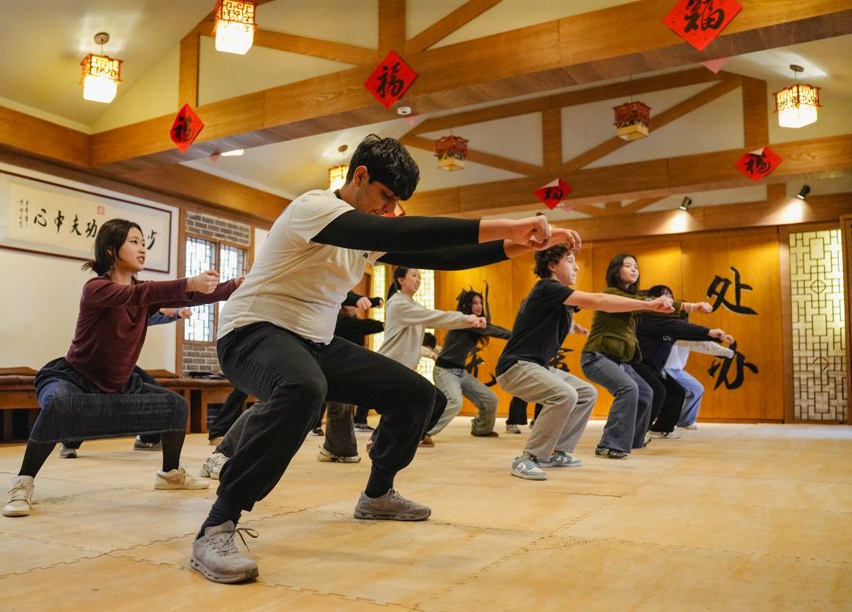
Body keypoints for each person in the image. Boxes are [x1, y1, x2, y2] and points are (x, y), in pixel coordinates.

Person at [189, 133, 580, 584]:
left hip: (313, 341)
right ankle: (216, 526)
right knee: (304, 389)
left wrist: (516, 246)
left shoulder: (366, 232)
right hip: (251, 332)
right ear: (359, 176)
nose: (389, 209)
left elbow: (443, 255)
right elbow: (393, 231)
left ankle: (377, 495)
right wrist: (505, 224)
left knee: (418, 395)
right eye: (386, 197)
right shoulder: (314, 208)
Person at [1, 218, 240, 517]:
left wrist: (233, 286)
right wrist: (188, 282)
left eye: (143, 243)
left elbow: (178, 295)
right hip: (74, 377)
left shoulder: (141, 294)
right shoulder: (97, 288)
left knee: (176, 406)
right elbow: (140, 295)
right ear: (112, 251)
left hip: (121, 382)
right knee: (60, 404)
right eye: (134, 242)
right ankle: (23, 482)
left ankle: (170, 474)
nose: (142, 249)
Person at [496, 244, 673, 480]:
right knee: (564, 394)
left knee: (586, 393)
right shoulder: (548, 287)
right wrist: (648, 305)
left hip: (537, 366)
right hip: (515, 366)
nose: (577, 267)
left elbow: (600, 303)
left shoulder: (558, 297)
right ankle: (528, 458)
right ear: (551, 266)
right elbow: (600, 300)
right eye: (570, 260)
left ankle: (558, 451)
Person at [580, 254, 710, 458]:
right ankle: (609, 444)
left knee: (646, 392)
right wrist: (684, 306)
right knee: (628, 388)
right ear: (616, 270)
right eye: (628, 266)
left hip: (619, 360)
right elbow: (641, 302)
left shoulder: (636, 301)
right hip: (597, 356)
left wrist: (691, 307)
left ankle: (634, 439)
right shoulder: (612, 293)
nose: (634, 270)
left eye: (636, 267)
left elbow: (648, 305)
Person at [58, 306, 192, 458]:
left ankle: (148, 439)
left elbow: (143, 316)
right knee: (95, 401)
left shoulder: (133, 312)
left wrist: (175, 313)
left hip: (121, 366)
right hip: (93, 367)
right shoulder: (102, 306)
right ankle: (69, 443)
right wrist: (162, 311)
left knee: (154, 392)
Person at [376, 267, 484, 446]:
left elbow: (426, 324)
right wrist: (466, 319)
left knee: (424, 402)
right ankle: (386, 440)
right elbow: (434, 317)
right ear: (401, 280)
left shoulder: (411, 305)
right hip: (392, 366)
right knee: (422, 401)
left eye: (419, 276)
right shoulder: (398, 304)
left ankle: (399, 437)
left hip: (403, 368)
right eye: (414, 275)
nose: (418, 279)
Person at [634, 285, 733, 438]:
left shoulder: (671, 323)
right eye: (664, 297)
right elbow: (681, 329)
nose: (669, 301)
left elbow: (689, 334)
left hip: (654, 369)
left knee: (676, 392)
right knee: (657, 392)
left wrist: (714, 338)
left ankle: (659, 428)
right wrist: (710, 333)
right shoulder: (650, 319)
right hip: (637, 365)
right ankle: (636, 433)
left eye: (670, 297)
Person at [428, 288, 510, 439]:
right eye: (475, 303)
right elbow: (495, 331)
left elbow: (491, 327)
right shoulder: (465, 322)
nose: (479, 306)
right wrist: (516, 336)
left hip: (461, 372)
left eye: (480, 303)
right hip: (444, 371)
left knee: (490, 400)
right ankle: (423, 433)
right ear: (467, 305)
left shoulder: (476, 323)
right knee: (455, 402)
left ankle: (482, 429)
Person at [318, 291, 385, 463]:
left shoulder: (348, 320)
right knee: (338, 406)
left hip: (342, 368)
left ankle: (335, 449)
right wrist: (385, 325)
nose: (355, 308)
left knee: (340, 406)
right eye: (352, 303)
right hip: (330, 365)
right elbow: (363, 326)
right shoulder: (337, 320)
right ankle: (339, 449)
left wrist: (373, 302)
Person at [666, 339, 734, 429]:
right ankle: (664, 423)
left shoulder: (688, 332)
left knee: (697, 389)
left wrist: (725, 352)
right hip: (663, 367)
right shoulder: (668, 328)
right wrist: (697, 340)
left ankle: (685, 422)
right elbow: (678, 339)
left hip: (677, 369)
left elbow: (702, 345)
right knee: (675, 392)